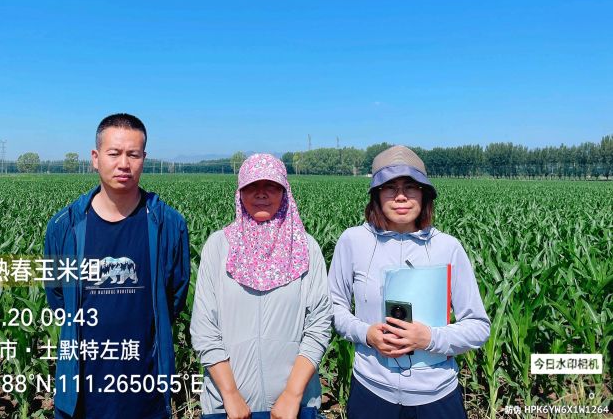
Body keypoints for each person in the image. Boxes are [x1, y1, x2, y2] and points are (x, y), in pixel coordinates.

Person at [44, 113, 190, 419]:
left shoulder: (168, 224)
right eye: (114, 153)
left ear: (143, 159)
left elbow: (174, 296)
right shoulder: (64, 227)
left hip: (147, 391)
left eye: (133, 154)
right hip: (82, 395)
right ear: (95, 158)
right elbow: (58, 298)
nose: (124, 163)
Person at [328, 145, 490, 418]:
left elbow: (478, 327)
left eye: (411, 187)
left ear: (424, 194)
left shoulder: (448, 247)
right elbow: (334, 307)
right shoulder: (353, 241)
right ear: (376, 194)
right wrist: (366, 334)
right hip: (371, 390)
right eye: (390, 187)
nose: (401, 196)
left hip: (437, 394)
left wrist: (430, 338)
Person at [191, 154, 331, 419]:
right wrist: (230, 395)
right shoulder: (218, 246)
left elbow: (319, 324)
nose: (261, 193)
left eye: (272, 186)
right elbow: (203, 328)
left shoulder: (306, 247)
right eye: (252, 186)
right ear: (240, 192)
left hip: (294, 407)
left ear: (285, 192)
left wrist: (292, 395)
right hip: (226, 407)